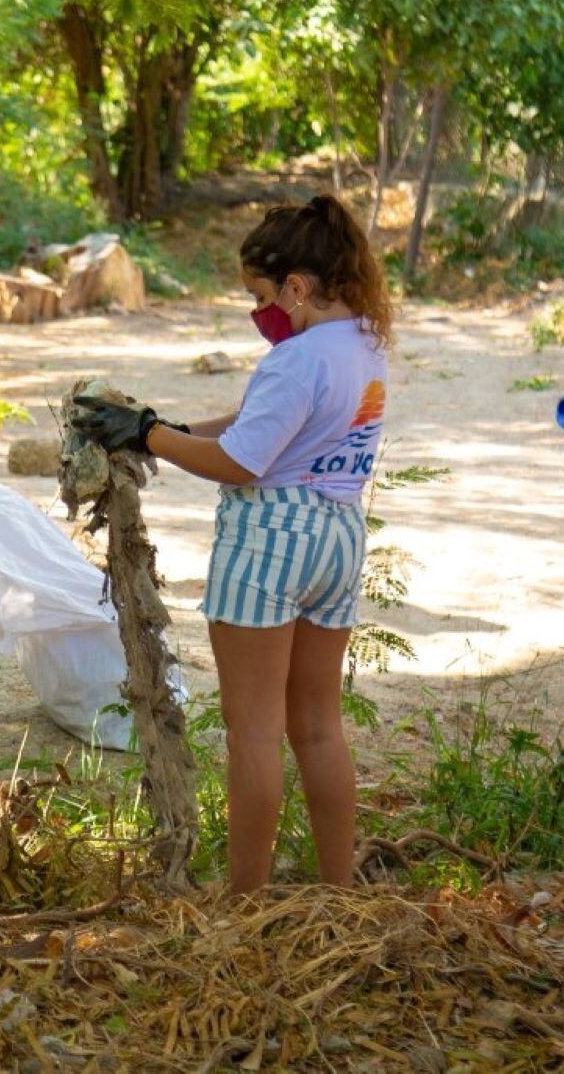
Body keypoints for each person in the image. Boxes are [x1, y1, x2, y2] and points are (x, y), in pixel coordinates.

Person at [72, 195, 392, 896]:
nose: (260, 314)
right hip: (338, 536)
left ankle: (244, 904)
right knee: (318, 724)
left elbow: (243, 460)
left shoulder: (294, 358)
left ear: (297, 288)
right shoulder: (366, 345)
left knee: (254, 731)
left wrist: (148, 435)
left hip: (271, 538)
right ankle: (339, 892)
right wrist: (166, 424)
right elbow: (258, 423)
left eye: (260, 296)